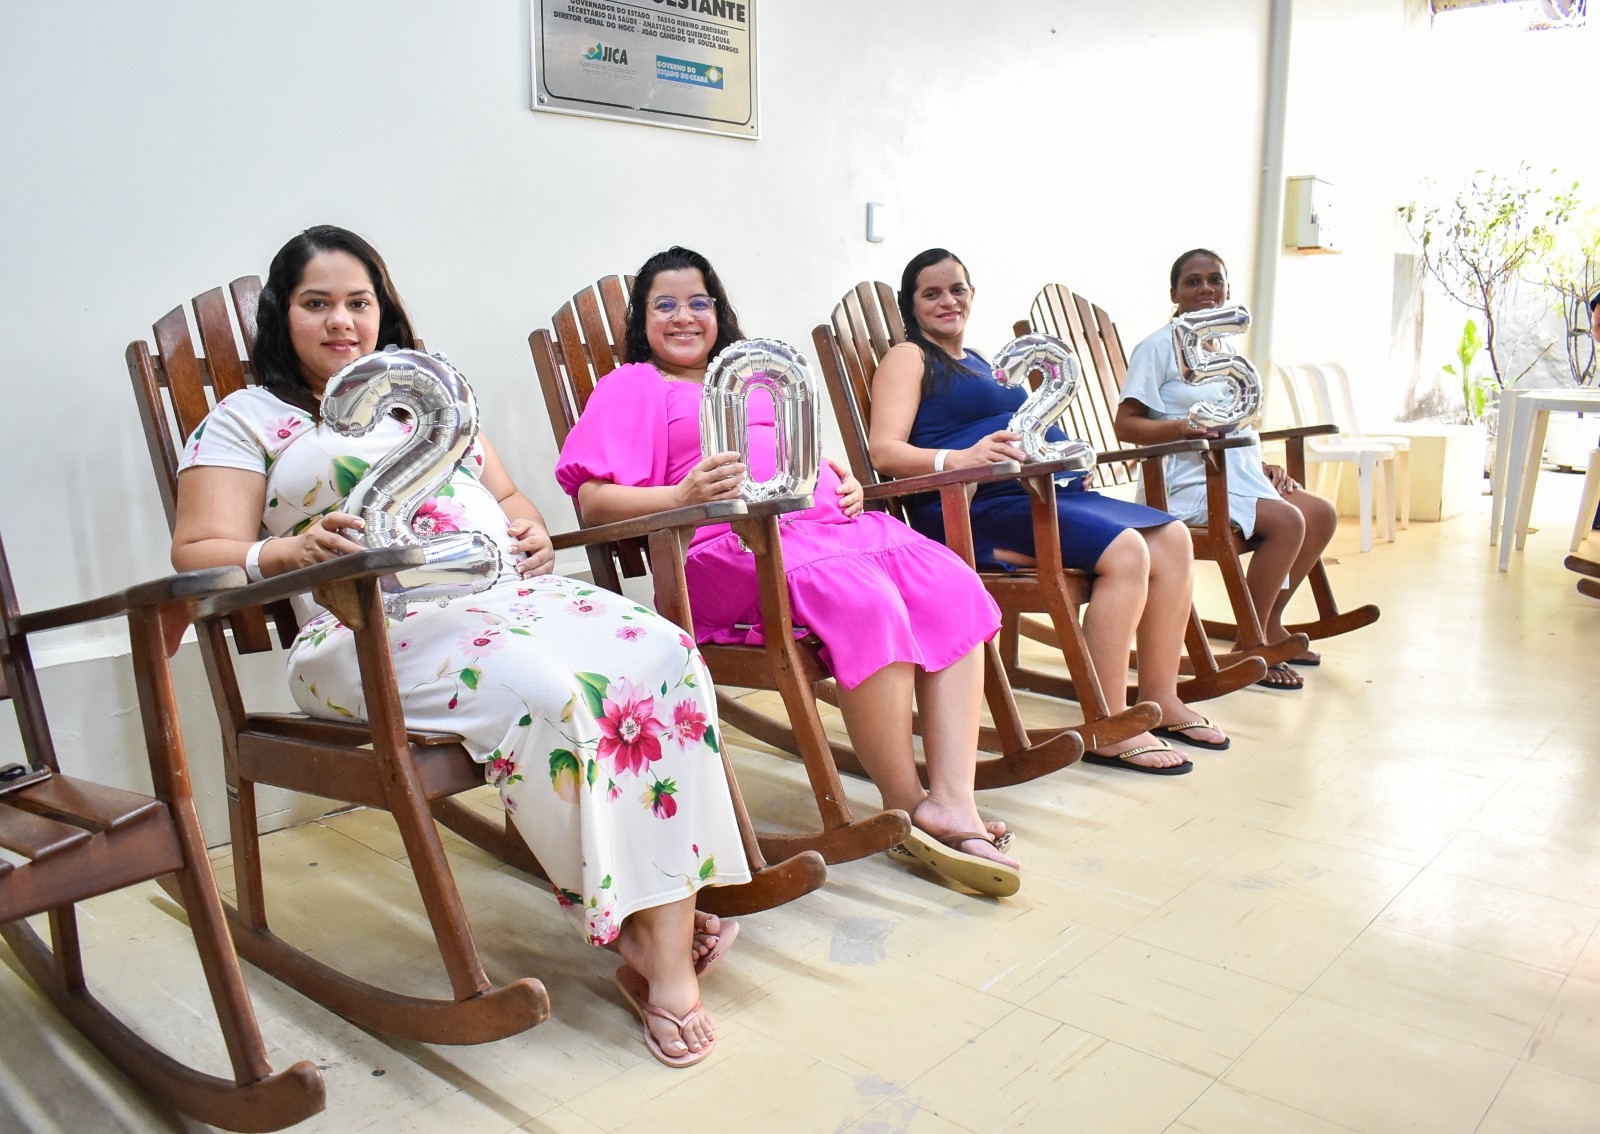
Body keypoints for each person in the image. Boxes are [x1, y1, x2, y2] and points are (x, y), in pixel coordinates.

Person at [170, 225, 746, 1068]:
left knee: (663, 656)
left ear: (384, 310)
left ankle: (653, 911)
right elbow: (197, 553)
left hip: (509, 599)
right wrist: (285, 553)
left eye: (358, 303)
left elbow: (510, 496)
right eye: (317, 304)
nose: (342, 322)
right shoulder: (250, 418)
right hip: (365, 633)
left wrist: (530, 532)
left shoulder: (427, 401)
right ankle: (661, 959)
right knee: (549, 692)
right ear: (281, 318)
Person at [553, 245, 1022, 897]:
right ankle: (906, 799)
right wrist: (683, 497)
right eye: (666, 305)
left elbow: (794, 450)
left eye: (699, 302)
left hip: (832, 528)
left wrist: (843, 478)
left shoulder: (748, 378)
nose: (684, 316)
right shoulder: (633, 386)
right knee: (868, 602)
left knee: (951, 587)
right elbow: (594, 501)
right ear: (643, 320)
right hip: (731, 547)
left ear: (718, 312)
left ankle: (953, 798)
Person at [869, 248, 1222, 776]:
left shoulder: (983, 362)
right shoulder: (909, 358)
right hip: (968, 508)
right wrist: (959, 459)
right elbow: (884, 451)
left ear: (972, 294)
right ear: (911, 305)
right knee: (1126, 551)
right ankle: (1109, 721)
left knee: (1172, 537)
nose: (949, 301)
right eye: (932, 293)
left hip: (1031, 495)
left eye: (957, 289)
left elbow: (1025, 424)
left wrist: (1063, 458)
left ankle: (1161, 697)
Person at [1116, 248, 1336, 690]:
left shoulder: (1226, 349)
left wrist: (1262, 463)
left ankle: (1267, 623)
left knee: (1320, 514)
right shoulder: (1159, 347)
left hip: (1237, 475)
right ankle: (1252, 643)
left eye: (1214, 280)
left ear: (1227, 290)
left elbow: (1236, 421)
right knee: (1288, 521)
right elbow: (1125, 424)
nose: (1205, 290)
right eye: (1193, 281)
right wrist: (1181, 427)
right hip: (1185, 483)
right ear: (1174, 293)